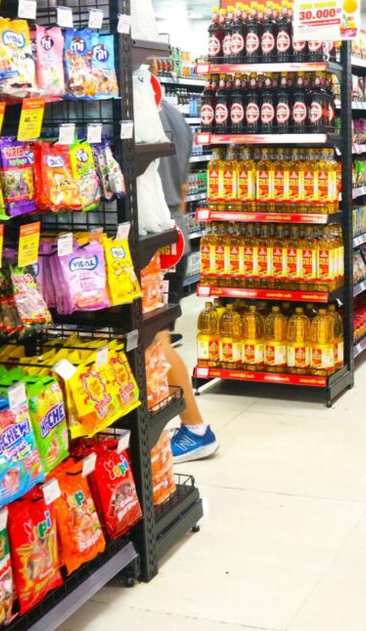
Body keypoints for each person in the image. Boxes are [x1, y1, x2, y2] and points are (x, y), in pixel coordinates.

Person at [154, 70, 219, 462]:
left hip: (154, 237)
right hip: (173, 228)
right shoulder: (175, 113)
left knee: (156, 340)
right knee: (156, 335)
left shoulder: (142, 112)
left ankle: (196, 428)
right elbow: (180, 183)